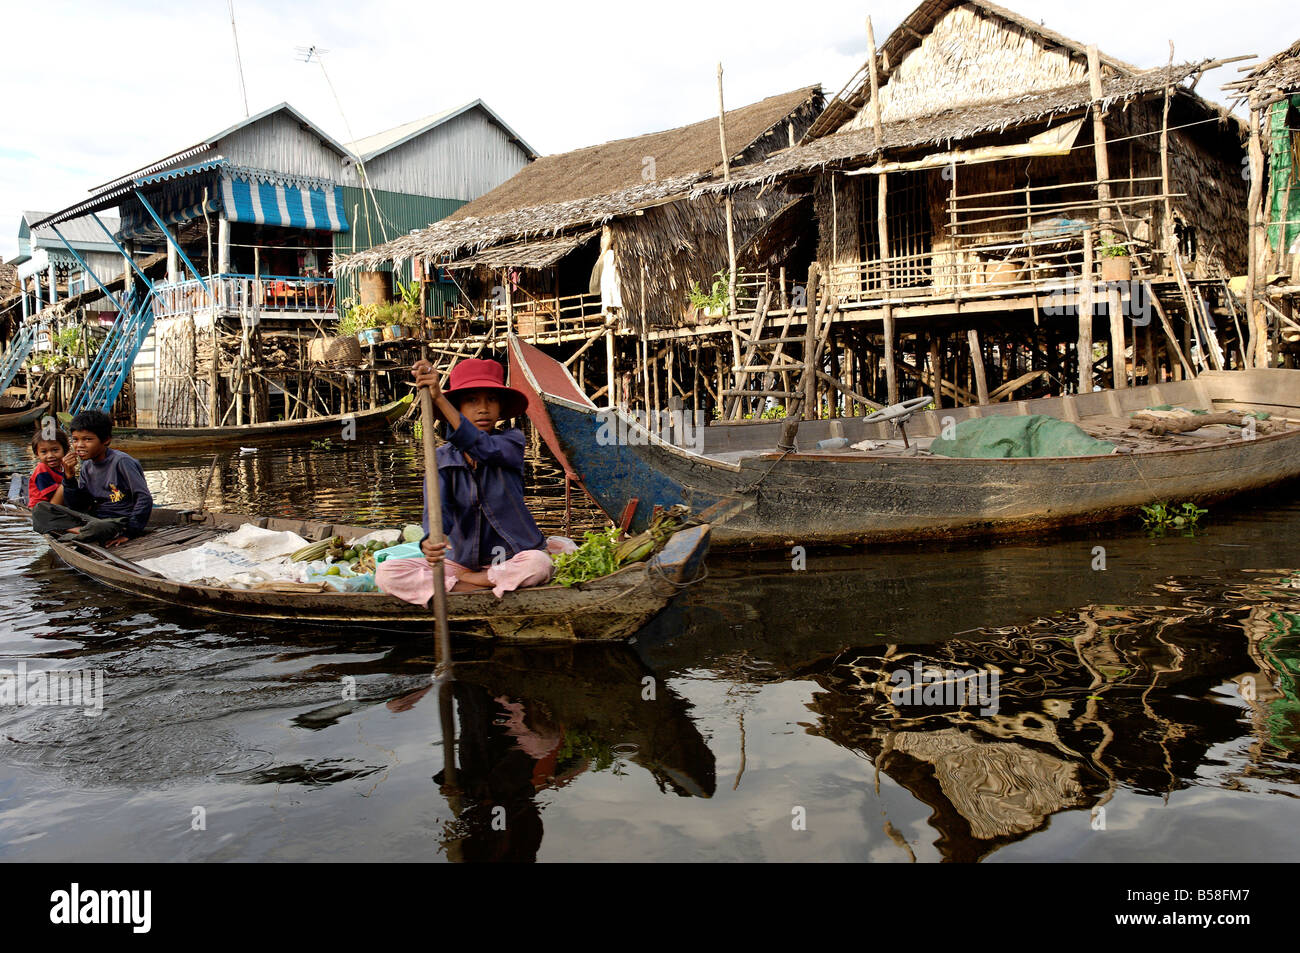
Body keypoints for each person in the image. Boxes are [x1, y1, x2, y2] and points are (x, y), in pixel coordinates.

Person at [375, 357, 560, 603]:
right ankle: (487, 587)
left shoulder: (511, 442)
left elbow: (482, 447)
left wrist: (439, 398)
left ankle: (473, 584)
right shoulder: (440, 458)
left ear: (500, 408)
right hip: (462, 563)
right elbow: (437, 512)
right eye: (472, 400)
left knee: (539, 564)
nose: (483, 409)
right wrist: (433, 538)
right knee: (387, 573)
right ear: (459, 407)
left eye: (491, 400)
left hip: (511, 558)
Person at [30, 409, 153, 546]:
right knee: (40, 509)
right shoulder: (87, 466)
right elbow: (80, 505)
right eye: (75, 440)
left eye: (87, 439)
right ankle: (81, 531)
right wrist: (69, 478)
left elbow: (144, 498)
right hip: (94, 518)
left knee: (99, 527)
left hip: (118, 521)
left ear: (106, 440)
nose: (79, 445)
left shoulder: (122, 462)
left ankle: (81, 532)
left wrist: (130, 532)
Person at [28, 422, 73, 507]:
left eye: (55, 450)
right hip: (42, 509)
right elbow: (51, 494)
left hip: (55, 504)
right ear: (37, 454)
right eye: (44, 452)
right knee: (66, 483)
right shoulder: (42, 469)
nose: (50, 456)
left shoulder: (63, 467)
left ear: (65, 450)